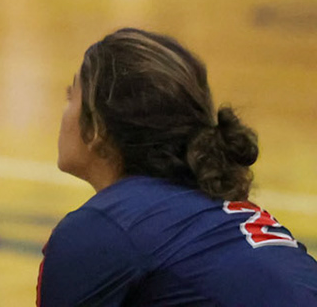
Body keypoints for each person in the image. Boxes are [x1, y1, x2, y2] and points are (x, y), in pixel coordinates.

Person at [41, 27, 317, 305]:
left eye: (70, 96)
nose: (64, 111)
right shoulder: (206, 213)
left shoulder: (104, 228)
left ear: (97, 128)